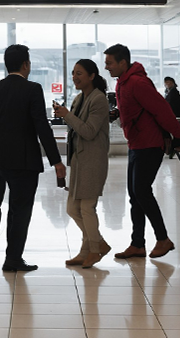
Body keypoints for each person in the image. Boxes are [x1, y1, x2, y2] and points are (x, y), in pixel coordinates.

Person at [0, 44, 66, 272]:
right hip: (25, 162)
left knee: (8, 208)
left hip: (1, 162)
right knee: (20, 209)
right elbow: (42, 128)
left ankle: (10, 255)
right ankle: (13, 257)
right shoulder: (32, 89)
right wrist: (56, 161)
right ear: (26, 64)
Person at [105, 44, 180, 259]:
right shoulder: (122, 82)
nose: (107, 67)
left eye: (110, 63)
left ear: (123, 63)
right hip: (136, 143)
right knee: (134, 195)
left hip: (149, 144)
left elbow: (162, 110)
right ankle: (137, 243)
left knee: (141, 191)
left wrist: (179, 136)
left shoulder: (138, 83)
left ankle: (163, 239)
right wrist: (117, 113)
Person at [53, 59, 111, 268]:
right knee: (72, 208)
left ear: (92, 76)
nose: (75, 77)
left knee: (86, 207)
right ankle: (95, 245)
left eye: (79, 73)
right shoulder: (79, 98)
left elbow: (88, 131)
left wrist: (67, 115)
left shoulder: (99, 100)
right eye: (73, 73)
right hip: (78, 160)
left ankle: (93, 250)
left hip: (93, 160)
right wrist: (66, 115)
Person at [164, 76, 180, 158]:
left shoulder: (173, 94)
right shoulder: (170, 93)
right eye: (166, 82)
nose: (167, 84)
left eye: (169, 82)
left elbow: (171, 106)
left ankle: (173, 148)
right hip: (176, 117)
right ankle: (174, 148)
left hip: (176, 117)